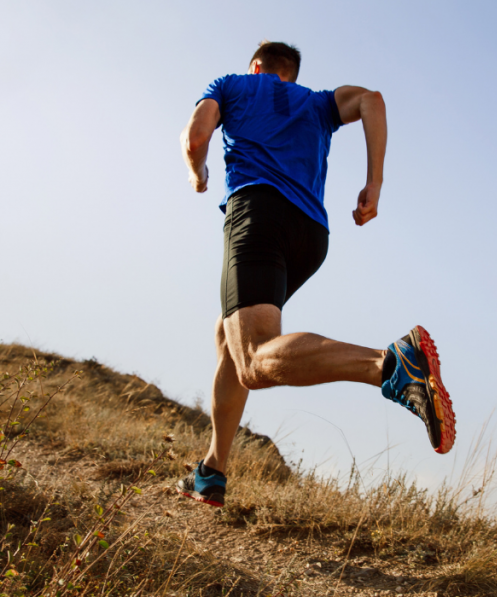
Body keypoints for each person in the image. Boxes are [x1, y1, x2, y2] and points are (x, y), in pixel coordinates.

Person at [177, 41, 455, 508]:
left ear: (258, 67)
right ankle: (212, 470)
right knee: (229, 335)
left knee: (253, 360)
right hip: (311, 234)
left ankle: (389, 364)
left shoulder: (232, 85)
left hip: (258, 213)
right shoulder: (320, 102)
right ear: (293, 71)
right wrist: (374, 183)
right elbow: (373, 101)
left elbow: (195, 137)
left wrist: (199, 172)